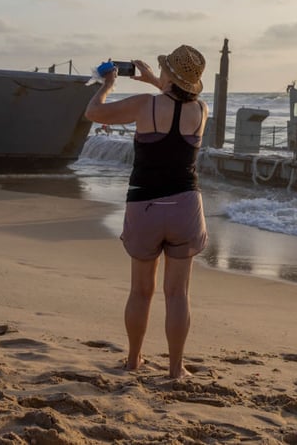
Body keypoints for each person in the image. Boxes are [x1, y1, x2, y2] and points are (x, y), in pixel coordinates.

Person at [84, 44, 208, 379]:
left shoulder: (144, 106)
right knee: (178, 294)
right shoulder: (202, 110)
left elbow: (93, 113)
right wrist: (157, 80)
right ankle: (176, 369)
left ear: (169, 73)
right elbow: (177, 103)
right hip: (185, 205)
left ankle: (134, 360)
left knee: (141, 291)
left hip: (146, 205)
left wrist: (107, 84)